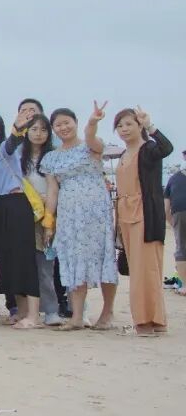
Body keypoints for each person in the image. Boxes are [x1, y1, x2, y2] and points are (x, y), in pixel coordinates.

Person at [39, 106, 117, 332]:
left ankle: (107, 312)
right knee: (72, 259)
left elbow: (92, 138)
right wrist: (49, 222)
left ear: (75, 122)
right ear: (53, 129)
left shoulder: (90, 146)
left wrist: (93, 122)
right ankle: (77, 316)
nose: (63, 127)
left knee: (103, 257)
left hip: (96, 212)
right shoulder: (51, 157)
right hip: (69, 214)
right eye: (58, 124)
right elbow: (52, 190)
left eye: (67, 122)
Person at [112, 107, 174, 336]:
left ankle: (150, 321)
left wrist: (151, 126)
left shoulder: (148, 149)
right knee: (136, 270)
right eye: (120, 126)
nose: (124, 129)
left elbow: (167, 148)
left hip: (145, 214)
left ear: (139, 126)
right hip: (125, 215)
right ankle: (149, 319)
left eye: (129, 124)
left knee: (147, 269)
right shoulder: (122, 155)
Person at [0, 111, 41, 329]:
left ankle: (33, 315)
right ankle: (21, 311)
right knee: (8, 260)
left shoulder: (5, 148)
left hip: (16, 204)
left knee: (24, 259)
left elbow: (14, 141)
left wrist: (18, 126)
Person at [21, 114, 65, 326]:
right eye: (34, 129)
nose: (38, 134)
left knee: (45, 267)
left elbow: (56, 189)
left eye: (43, 129)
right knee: (25, 267)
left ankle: (51, 310)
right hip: (23, 217)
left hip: (47, 217)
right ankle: (28, 310)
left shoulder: (53, 157)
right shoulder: (19, 157)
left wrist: (49, 220)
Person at [165, 151, 186, 298]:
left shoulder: (173, 179)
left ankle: (184, 285)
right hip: (179, 212)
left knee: (181, 248)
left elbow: (166, 208)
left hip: (179, 213)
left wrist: (172, 223)